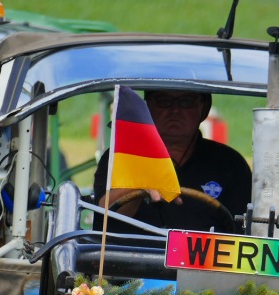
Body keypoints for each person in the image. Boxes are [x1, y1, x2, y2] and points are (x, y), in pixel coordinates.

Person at [91, 90, 252, 232]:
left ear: (205, 108)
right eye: (164, 101)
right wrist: (138, 186)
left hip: (205, 264)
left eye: (186, 102)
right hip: (127, 261)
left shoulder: (231, 164)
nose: (175, 110)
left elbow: (244, 234)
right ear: (147, 106)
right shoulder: (120, 157)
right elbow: (104, 218)